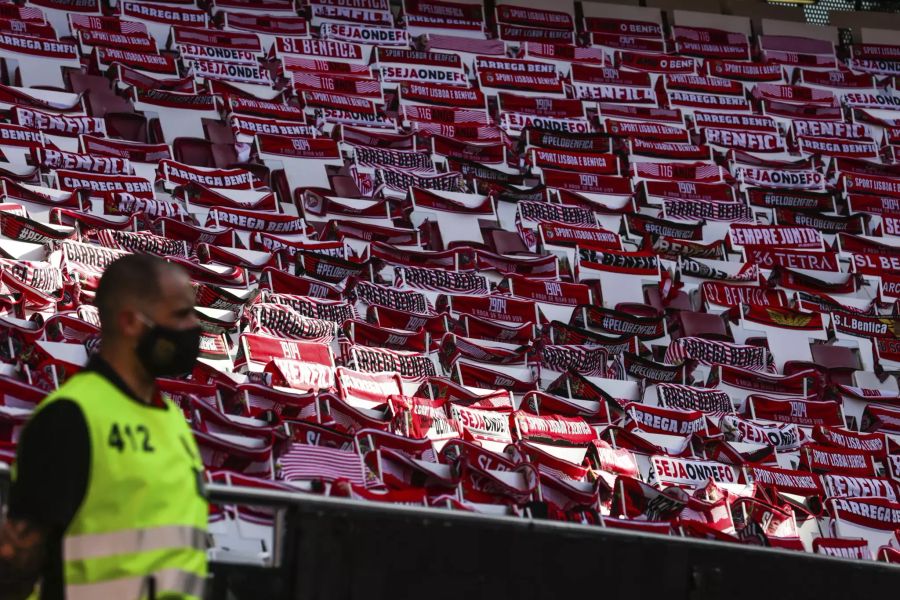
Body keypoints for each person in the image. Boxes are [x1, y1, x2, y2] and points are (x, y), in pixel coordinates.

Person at [0, 254, 209, 600]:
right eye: (180, 315)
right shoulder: (70, 417)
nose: (194, 328)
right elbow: (18, 563)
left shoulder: (171, 418)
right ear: (130, 322)